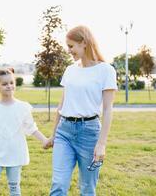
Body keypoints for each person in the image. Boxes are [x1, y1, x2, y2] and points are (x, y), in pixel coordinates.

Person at [44, 25, 117, 196]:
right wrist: (53, 135)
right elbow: (61, 106)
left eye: (71, 46)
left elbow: (107, 109)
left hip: (90, 134)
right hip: (64, 132)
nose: (68, 50)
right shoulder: (70, 70)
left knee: (87, 188)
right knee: (58, 185)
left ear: (84, 43)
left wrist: (101, 144)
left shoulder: (106, 70)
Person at [0, 68, 49, 196]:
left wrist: (45, 140)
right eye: (5, 84)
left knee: (14, 189)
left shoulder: (23, 107)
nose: (9, 86)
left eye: (11, 83)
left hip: (15, 154)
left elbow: (31, 128)